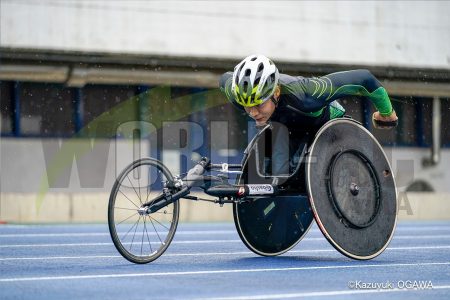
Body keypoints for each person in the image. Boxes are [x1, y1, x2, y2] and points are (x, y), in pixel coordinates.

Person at [219, 54, 398, 175]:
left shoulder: (309, 95)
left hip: (328, 126)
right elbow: (223, 79)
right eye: (247, 106)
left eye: (258, 104)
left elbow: (364, 79)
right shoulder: (237, 94)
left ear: (276, 92)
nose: (253, 113)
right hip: (291, 129)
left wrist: (387, 114)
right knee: (270, 173)